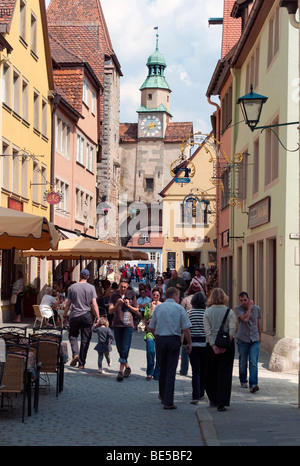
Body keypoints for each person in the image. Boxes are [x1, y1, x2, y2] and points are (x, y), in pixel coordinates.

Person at [148, 287, 192, 410]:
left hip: (161, 339)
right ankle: (168, 401)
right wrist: (189, 343)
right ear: (175, 296)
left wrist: (157, 336)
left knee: (162, 368)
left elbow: (151, 327)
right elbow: (186, 328)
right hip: (174, 340)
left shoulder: (159, 308)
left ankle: (162, 395)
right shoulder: (179, 309)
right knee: (171, 371)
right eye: (178, 297)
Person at [203, 288, 236, 411]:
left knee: (210, 373)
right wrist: (225, 345)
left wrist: (213, 345)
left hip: (211, 346)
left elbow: (207, 331)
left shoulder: (207, 312)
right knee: (225, 374)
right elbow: (232, 330)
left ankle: (213, 399)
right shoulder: (229, 311)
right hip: (227, 344)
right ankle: (222, 402)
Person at [63, 269, 100, 369]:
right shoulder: (91, 288)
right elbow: (94, 304)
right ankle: (81, 363)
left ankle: (75, 353)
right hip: (86, 316)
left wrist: (64, 315)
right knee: (85, 339)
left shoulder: (72, 287)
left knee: (73, 336)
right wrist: (98, 317)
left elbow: (68, 303)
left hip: (74, 315)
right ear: (88, 277)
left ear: (80, 276)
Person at [108, 278, 140, 382]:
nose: (123, 289)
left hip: (128, 325)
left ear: (127, 287)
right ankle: (127, 367)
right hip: (117, 323)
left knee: (125, 347)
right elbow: (110, 311)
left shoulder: (131, 295)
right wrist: (117, 304)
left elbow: (137, 310)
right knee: (119, 348)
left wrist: (129, 305)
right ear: (119, 286)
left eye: (125, 287)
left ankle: (120, 372)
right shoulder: (114, 296)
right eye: (121, 287)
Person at [235, 291, 261, 393]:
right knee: (242, 362)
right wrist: (250, 307)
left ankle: (253, 384)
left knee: (253, 362)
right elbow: (245, 319)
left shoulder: (257, 309)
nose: (243, 302)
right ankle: (243, 380)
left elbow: (258, 322)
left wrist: (259, 336)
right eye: (241, 300)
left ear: (248, 299)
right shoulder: (238, 309)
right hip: (243, 339)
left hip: (254, 339)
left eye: (245, 300)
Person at [179, 281, 202, 376]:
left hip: (187, 327)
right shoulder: (202, 300)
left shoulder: (185, 300)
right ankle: (196, 369)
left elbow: (180, 313)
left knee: (185, 348)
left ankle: (184, 369)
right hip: (199, 329)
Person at [188, 292, 207, 404]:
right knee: (204, 370)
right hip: (205, 345)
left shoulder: (189, 313)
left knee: (195, 371)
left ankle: (195, 396)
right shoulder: (207, 313)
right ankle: (201, 393)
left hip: (193, 345)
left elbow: (186, 328)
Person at [143, 287, 161, 380]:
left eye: (157, 295)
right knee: (150, 352)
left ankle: (157, 373)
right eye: (154, 294)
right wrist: (152, 308)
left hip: (160, 332)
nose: (155, 296)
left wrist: (151, 319)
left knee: (159, 353)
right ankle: (149, 372)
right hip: (150, 332)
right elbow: (146, 317)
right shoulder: (148, 305)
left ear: (160, 296)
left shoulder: (162, 306)